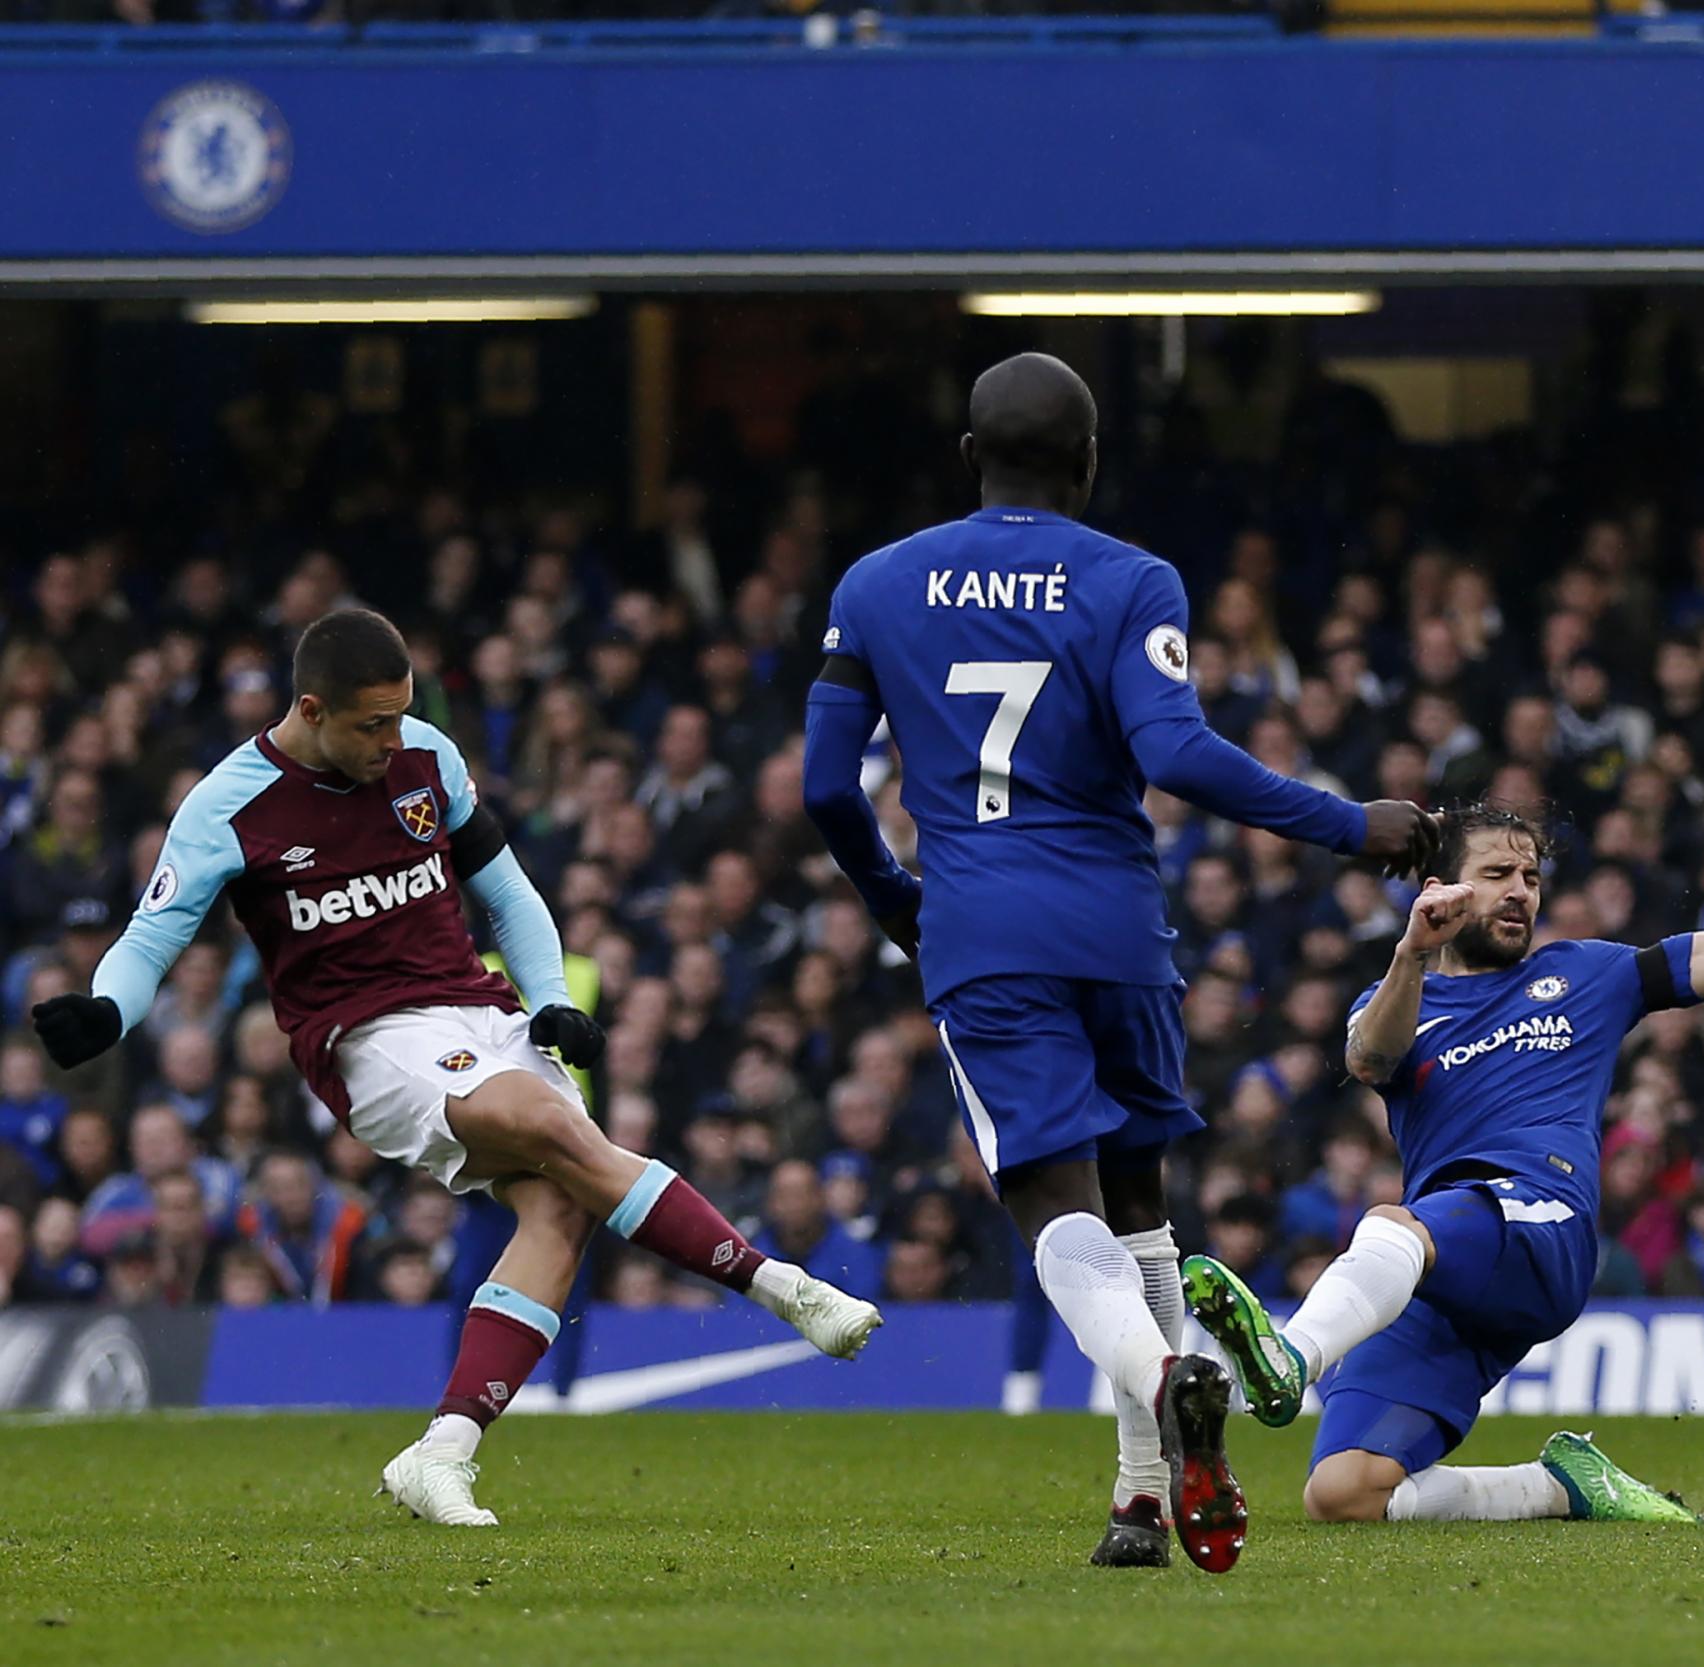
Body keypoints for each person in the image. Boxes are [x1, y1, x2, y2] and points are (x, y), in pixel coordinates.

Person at [30, 608, 879, 1527]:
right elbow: (152, 935)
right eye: (371, 725)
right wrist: (108, 1007)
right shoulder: (227, 806)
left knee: (562, 1205)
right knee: (556, 1129)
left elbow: (505, 888)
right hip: (367, 1039)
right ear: (310, 708)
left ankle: (442, 1453)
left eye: (400, 718)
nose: (392, 741)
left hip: (480, 1010)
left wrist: (553, 996)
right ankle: (781, 1285)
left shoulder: (424, 755)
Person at [798, 353, 1435, 1574]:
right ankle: (1144, 1494)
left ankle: (1163, 1371)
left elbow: (828, 783)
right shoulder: (1131, 577)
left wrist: (896, 898)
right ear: (1089, 462)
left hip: (986, 934)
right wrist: (1351, 824)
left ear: (969, 454)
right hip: (1119, 932)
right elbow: (1177, 753)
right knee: (1138, 1208)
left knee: (1053, 1204)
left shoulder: (878, 583)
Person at [1178, 747, 1704, 1528]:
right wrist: (1410, 955)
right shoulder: (1399, 993)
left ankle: (1290, 1357)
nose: (1520, 891)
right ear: (1439, 889)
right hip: (1442, 1267)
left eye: (1531, 877)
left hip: (1537, 1221)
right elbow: (1367, 1057)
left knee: (1389, 1222)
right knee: (1342, 1495)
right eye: (1496, 874)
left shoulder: (1590, 973)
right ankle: (1558, 1485)